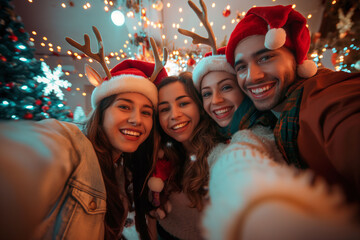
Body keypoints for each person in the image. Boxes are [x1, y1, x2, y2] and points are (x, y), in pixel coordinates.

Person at [0, 27, 168, 240]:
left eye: (146, 112)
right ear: (102, 112)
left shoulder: (121, 166)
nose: (137, 119)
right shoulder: (72, 142)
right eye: (124, 107)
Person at [225, 4, 360, 203]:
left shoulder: (327, 98)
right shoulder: (261, 118)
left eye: (265, 58)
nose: (252, 77)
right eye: (241, 67)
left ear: (296, 59)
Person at [152, 72, 226, 239]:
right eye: (164, 109)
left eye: (183, 103)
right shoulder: (167, 158)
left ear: (200, 106)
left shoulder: (222, 156)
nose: (174, 115)